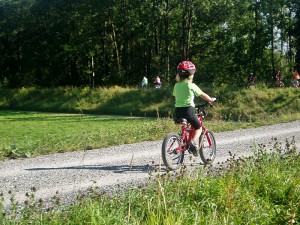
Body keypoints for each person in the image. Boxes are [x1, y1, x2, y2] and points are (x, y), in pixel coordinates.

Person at [173, 61, 216, 156]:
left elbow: (177, 96)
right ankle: (192, 142)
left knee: (186, 127)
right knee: (198, 128)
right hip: (189, 110)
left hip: (177, 112)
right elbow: (202, 95)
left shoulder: (176, 85)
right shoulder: (190, 85)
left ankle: (185, 142)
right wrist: (210, 99)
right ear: (191, 75)